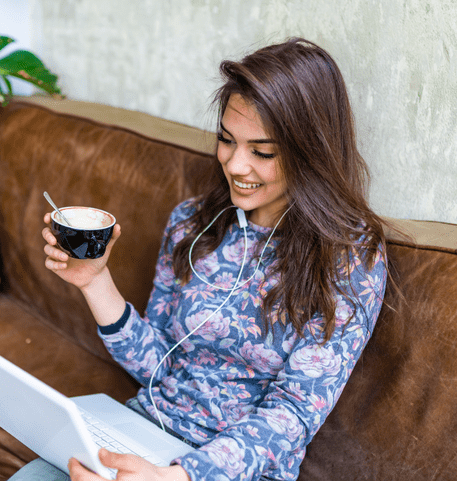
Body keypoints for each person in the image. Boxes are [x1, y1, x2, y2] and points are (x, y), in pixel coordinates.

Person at [41, 37, 388, 481]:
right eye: (227, 140)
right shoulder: (192, 224)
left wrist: (181, 475)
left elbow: (293, 416)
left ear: (311, 151)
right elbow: (159, 366)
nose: (236, 165)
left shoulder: (349, 257)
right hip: (144, 430)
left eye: (262, 152)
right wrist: (95, 281)